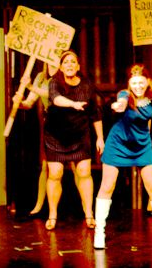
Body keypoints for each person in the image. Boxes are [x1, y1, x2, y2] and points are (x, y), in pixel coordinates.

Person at [94, 65, 152, 249]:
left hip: (141, 145)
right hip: (118, 144)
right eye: (134, 83)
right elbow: (120, 102)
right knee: (107, 186)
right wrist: (117, 106)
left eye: (141, 83)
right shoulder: (125, 95)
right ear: (129, 84)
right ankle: (99, 232)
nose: (137, 86)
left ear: (147, 82)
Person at [40, 51, 103, 231]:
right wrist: (73, 104)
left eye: (72, 62)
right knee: (55, 173)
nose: (69, 65)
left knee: (84, 172)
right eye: (65, 62)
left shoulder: (86, 85)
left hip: (80, 134)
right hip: (56, 135)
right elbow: (56, 99)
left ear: (78, 66)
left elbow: (95, 112)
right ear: (60, 66)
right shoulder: (55, 83)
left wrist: (100, 137)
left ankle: (89, 214)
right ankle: (52, 215)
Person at [15, 63, 60, 218]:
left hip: (69, 121)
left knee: (76, 166)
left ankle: (86, 210)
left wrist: (30, 86)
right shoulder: (41, 77)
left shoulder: (65, 74)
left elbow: (52, 94)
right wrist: (19, 103)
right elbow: (29, 103)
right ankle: (39, 205)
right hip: (50, 123)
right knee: (45, 165)